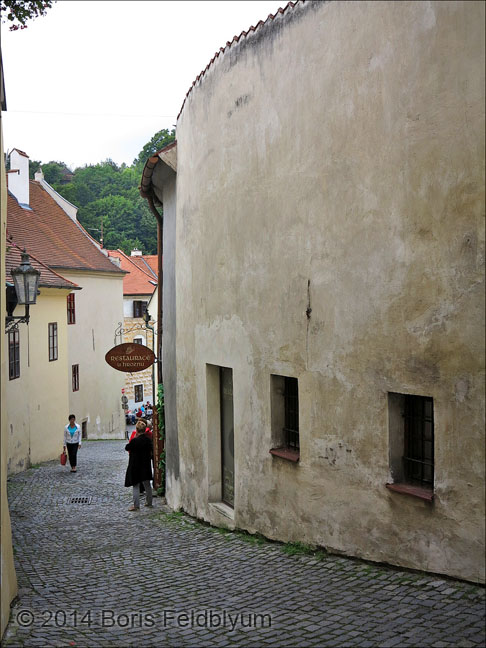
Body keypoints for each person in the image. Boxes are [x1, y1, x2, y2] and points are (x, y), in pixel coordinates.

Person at [125, 420, 153, 511]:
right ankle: (149, 502)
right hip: (145, 464)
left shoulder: (135, 441)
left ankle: (136, 505)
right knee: (147, 484)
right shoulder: (148, 440)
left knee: (136, 485)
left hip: (136, 465)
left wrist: (135, 437)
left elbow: (127, 447)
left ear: (137, 430)